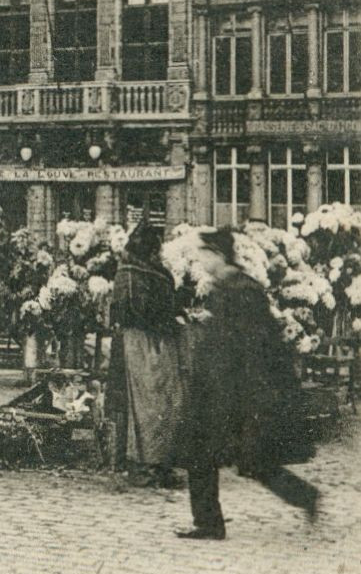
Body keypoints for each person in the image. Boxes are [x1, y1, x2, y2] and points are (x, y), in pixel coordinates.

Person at [175, 229, 320, 539]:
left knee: (252, 460)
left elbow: (256, 346)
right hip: (220, 388)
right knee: (202, 453)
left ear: (219, 255)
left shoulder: (242, 289)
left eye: (205, 253)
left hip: (238, 392)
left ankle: (304, 496)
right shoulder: (226, 287)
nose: (200, 259)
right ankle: (208, 522)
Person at [105, 223, 184, 485]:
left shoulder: (147, 270)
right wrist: (167, 321)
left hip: (156, 342)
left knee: (164, 400)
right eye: (155, 248)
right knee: (147, 403)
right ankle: (144, 464)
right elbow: (134, 310)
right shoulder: (130, 272)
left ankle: (159, 462)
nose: (158, 253)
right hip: (140, 344)